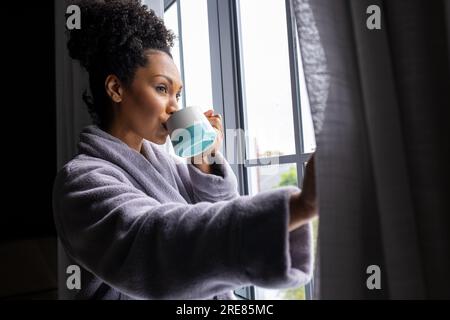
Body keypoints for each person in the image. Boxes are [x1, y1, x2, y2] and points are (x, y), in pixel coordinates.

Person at [53, 0, 317, 300]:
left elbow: (218, 221)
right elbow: (161, 249)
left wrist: (204, 160)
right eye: (162, 89)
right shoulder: (80, 183)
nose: (174, 107)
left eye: (178, 94)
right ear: (116, 89)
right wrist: (302, 205)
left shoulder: (171, 169)